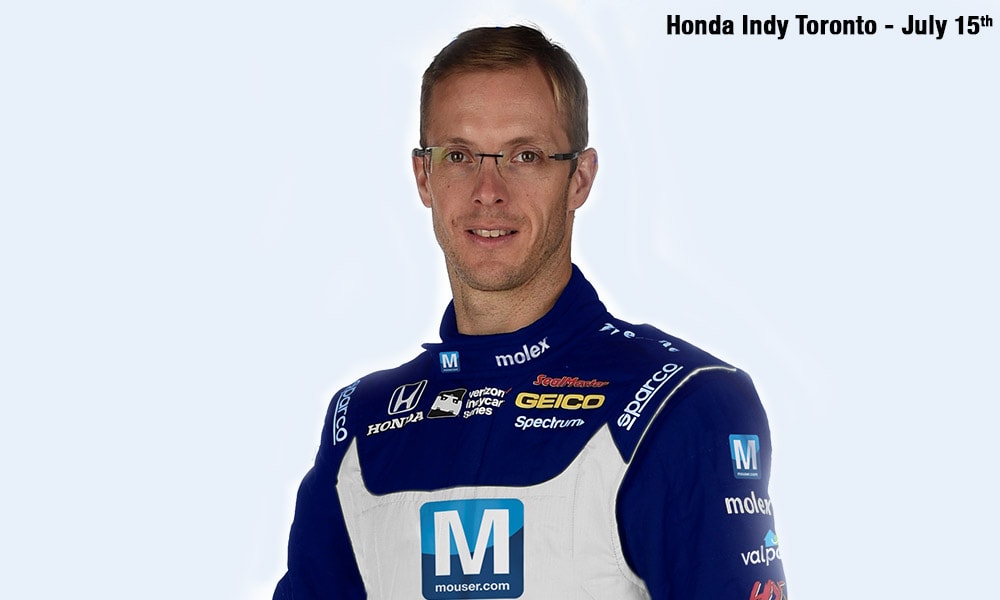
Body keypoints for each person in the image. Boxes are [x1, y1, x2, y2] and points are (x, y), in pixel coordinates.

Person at [274, 25, 786, 600]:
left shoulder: (680, 403)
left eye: (525, 156)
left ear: (579, 179)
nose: (488, 190)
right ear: (424, 176)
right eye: (459, 156)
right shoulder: (359, 425)